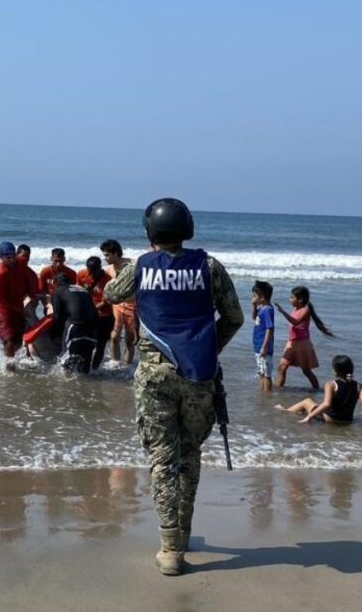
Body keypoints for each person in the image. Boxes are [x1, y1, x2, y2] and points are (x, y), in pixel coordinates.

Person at [103, 198, 243, 576]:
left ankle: (170, 549)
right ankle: (183, 535)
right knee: (189, 454)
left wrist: (132, 268)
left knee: (163, 458)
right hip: (200, 375)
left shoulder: (141, 267)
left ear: (150, 231)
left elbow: (111, 294)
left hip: (155, 377)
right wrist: (209, 348)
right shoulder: (209, 267)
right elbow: (234, 316)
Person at [275, 355, 362, 428]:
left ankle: (286, 411)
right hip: (347, 421)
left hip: (330, 419)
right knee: (314, 406)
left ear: (336, 371)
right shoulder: (359, 386)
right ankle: (298, 412)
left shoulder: (331, 384)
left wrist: (309, 417)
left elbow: (327, 404)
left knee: (307, 401)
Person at [274, 286, 333, 390]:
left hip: (302, 344)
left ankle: (317, 390)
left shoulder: (306, 310)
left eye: (292, 297)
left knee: (306, 370)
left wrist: (282, 312)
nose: (290, 299)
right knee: (282, 367)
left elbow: (295, 322)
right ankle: (278, 390)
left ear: (300, 299)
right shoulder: (295, 309)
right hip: (291, 343)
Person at [0, 241, 39, 357]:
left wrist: (33, 296)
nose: (12, 260)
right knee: (9, 341)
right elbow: (4, 300)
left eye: (13, 256)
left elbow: (31, 277)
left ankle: (5, 355)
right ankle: (9, 366)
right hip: (2, 308)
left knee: (18, 342)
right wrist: (21, 311)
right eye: (8, 257)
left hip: (18, 304)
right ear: (1, 257)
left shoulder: (20, 261)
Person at [48, 274, 99, 374]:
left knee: (67, 355)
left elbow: (57, 317)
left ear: (55, 283)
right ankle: (86, 380)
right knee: (86, 356)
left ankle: (66, 381)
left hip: (75, 325)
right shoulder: (83, 289)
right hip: (94, 325)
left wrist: (53, 334)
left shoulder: (58, 291)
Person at [102, 239, 138, 364]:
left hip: (132, 306)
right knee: (114, 336)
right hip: (116, 306)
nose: (105, 258)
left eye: (107, 255)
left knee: (129, 339)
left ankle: (127, 365)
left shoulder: (132, 266)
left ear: (116, 253)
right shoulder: (108, 270)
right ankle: (115, 363)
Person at [77, 256, 116, 370]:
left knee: (100, 344)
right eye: (90, 271)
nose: (92, 274)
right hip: (88, 316)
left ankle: (95, 369)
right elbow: (78, 292)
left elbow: (107, 301)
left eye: (95, 271)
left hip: (104, 316)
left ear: (100, 268)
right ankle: (84, 367)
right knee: (86, 342)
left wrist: (92, 309)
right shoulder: (81, 275)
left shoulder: (108, 279)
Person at [251, 281, 275, 392]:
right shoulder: (262, 308)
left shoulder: (268, 310)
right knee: (261, 372)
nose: (253, 298)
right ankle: (262, 394)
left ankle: (267, 395)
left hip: (263, 346)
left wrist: (265, 347)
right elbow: (254, 317)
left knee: (266, 374)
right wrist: (254, 305)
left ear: (262, 297)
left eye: (254, 296)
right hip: (258, 345)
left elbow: (270, 328)